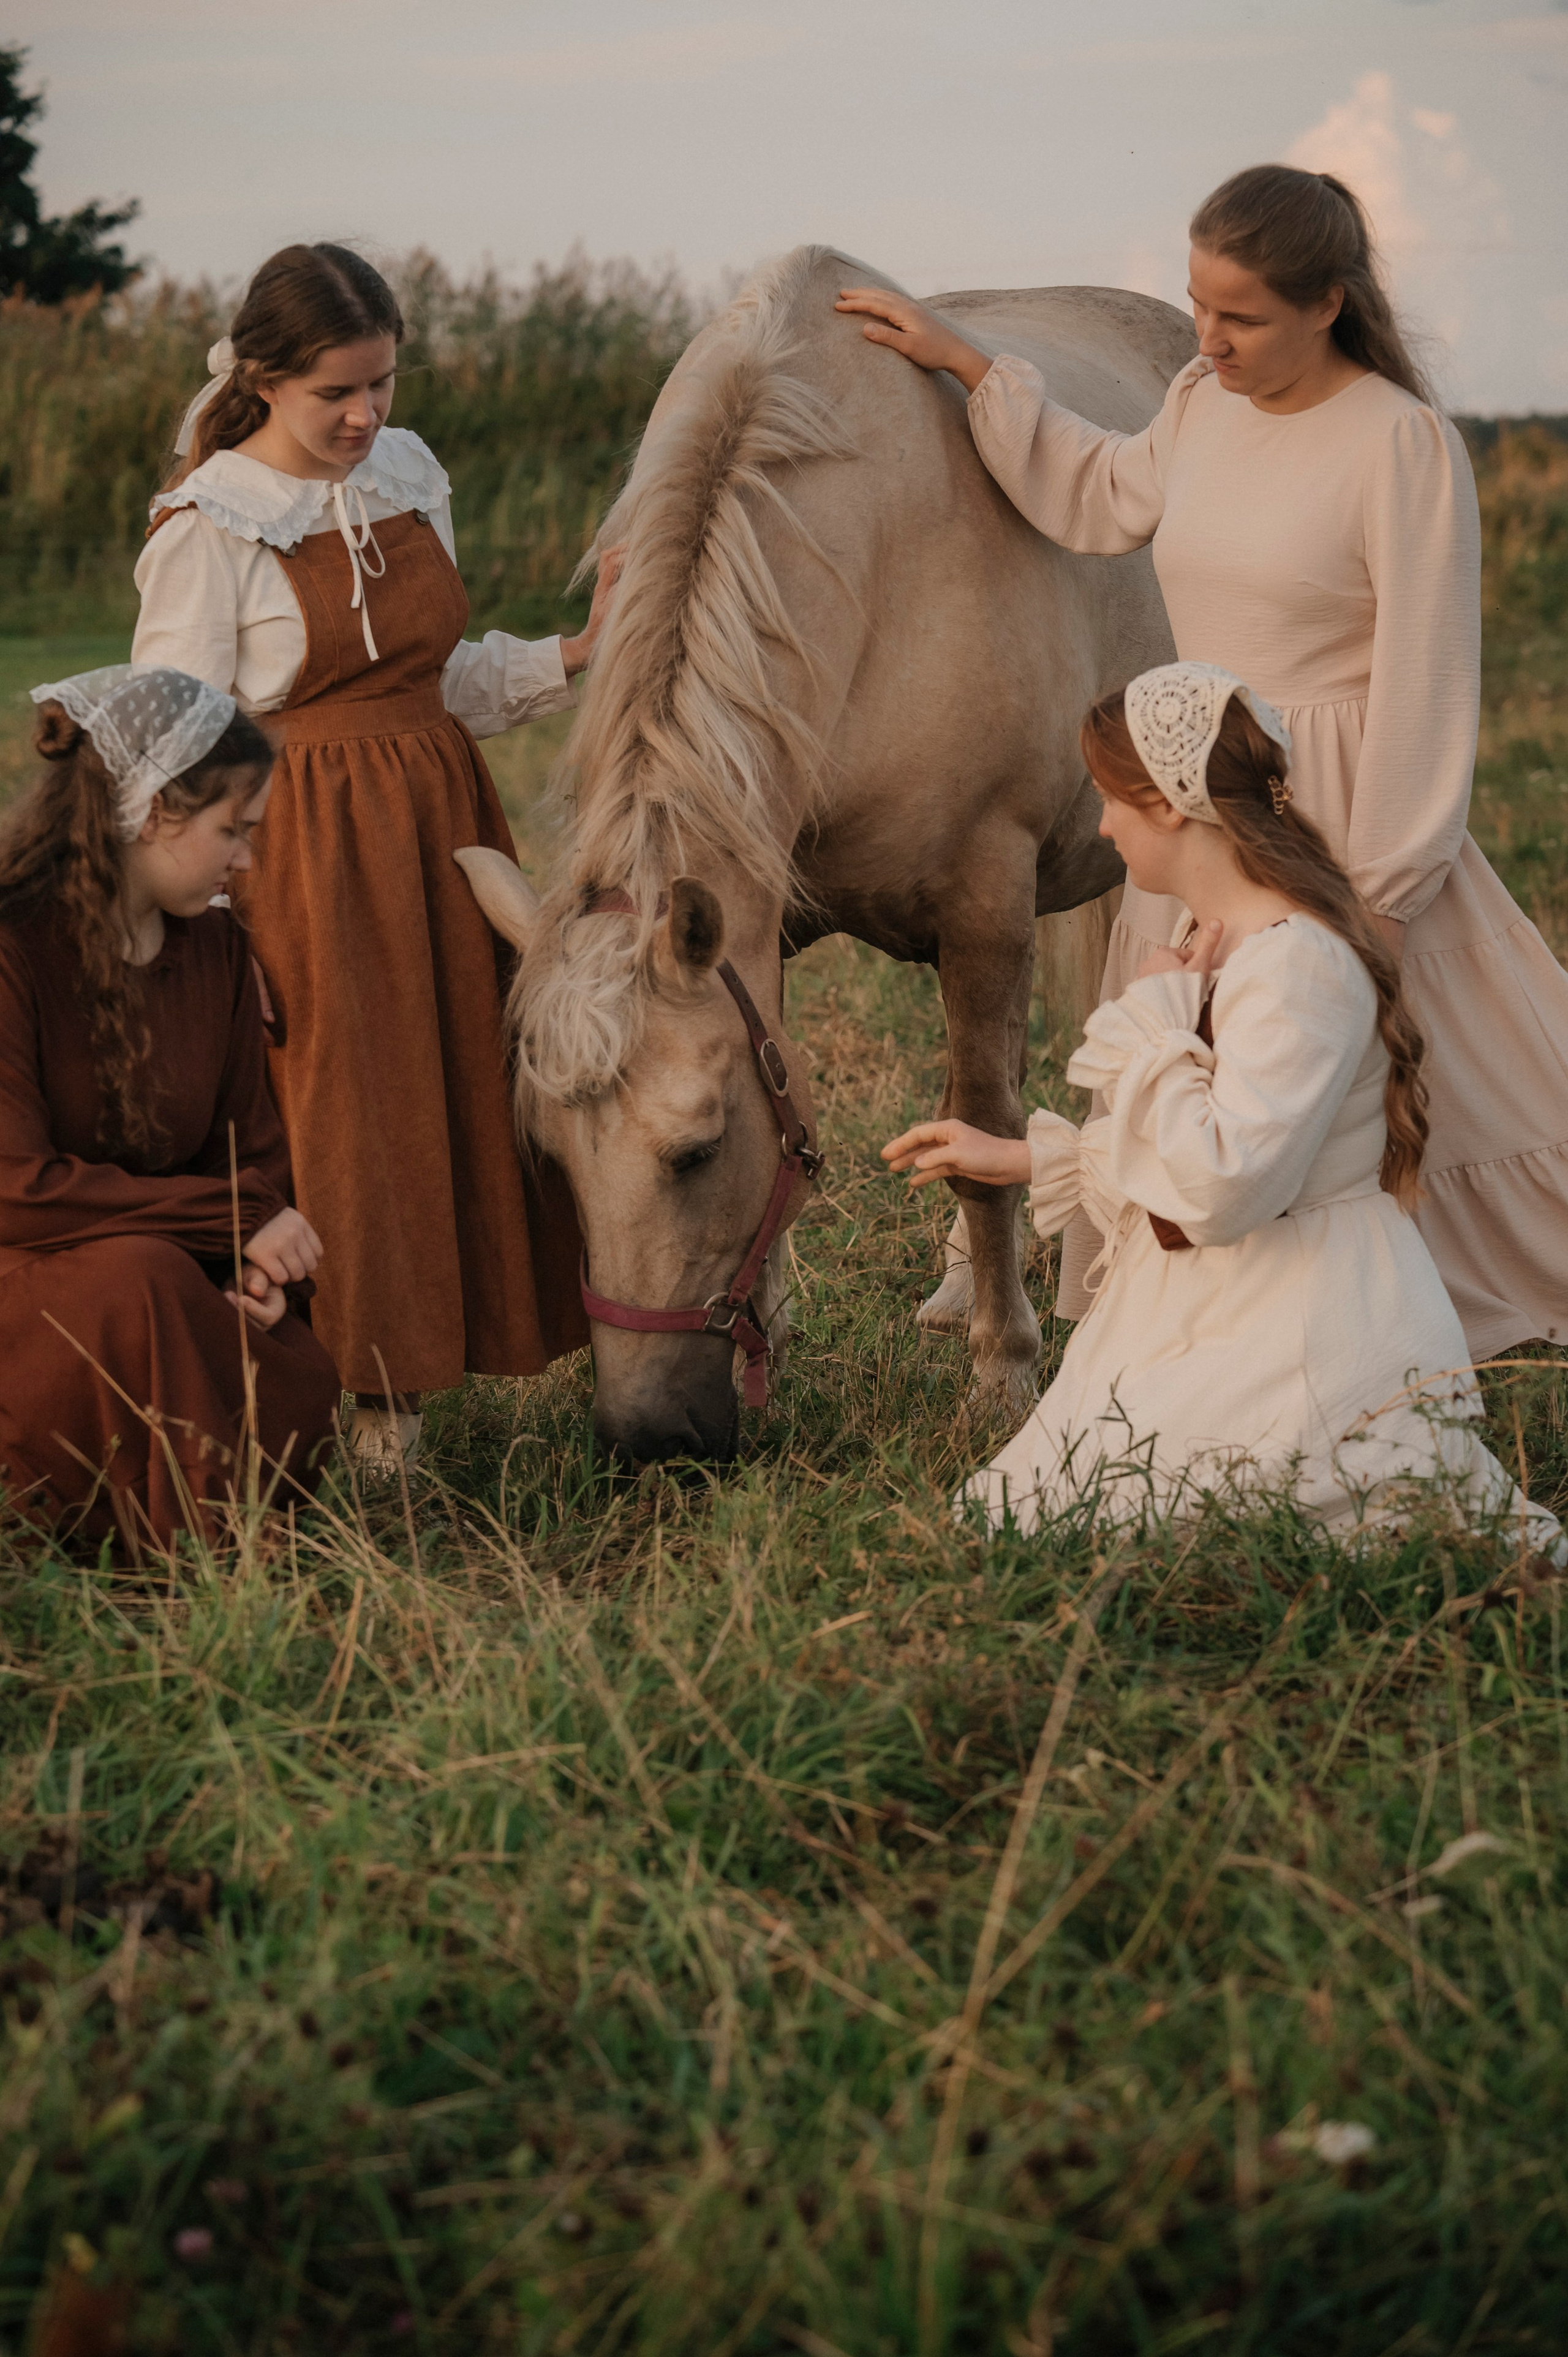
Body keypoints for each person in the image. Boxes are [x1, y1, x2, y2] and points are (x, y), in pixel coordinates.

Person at [840, 163, 1568, 1358]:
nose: (1208, 339)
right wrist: (968, 362)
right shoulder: (1195, 399)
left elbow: (1426, 683)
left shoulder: (1401, 444)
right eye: (1196, 307)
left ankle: (1383, 1321)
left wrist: (1372, 899)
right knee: (1196, 1087)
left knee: (1388, 1095)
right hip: (1198, 801)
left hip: (1340, 807)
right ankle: (1212, 1335)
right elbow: (1100, 491)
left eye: (1239, 317)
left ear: (1326, 303)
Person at [883, 664, 1564, 1555]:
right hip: (1203, 1309)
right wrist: (1018, 1159)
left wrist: (1164, 1023)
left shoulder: (1302, 966)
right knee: (1013, 1515)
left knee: (1091, 1529)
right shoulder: (1213, 942)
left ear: (1170, 804)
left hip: (1298, 1329)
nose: (1102, 826)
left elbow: (1224, 1185)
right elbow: (1185, 1149)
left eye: (1111, 799)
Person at [132, 241, 619, 1472]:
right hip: (296, 851)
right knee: (342, 1116)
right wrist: (199, 924)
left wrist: (575, 649)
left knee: (459, 1090)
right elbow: (170, 740)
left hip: (439, 829)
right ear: (260, 377)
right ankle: (349, 1411)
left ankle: (433, 1371)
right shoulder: (209, 525)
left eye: (381, 385)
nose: (363, 415)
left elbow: (438, 681)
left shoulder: (407, 474)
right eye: (333, 393)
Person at [0, 665, 341, 1559]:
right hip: (29, 1286)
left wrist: (252, 1272)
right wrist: (229, 1222)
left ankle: (150, 1497)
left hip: (169, 1281)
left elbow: (253, 1156)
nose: (247, 860)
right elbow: (11, 1188)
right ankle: (213, 1551)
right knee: (140, 1282)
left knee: (305, 1377)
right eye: (235, 831)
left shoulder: (221, 952)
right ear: (156, 814)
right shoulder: (13, 946)